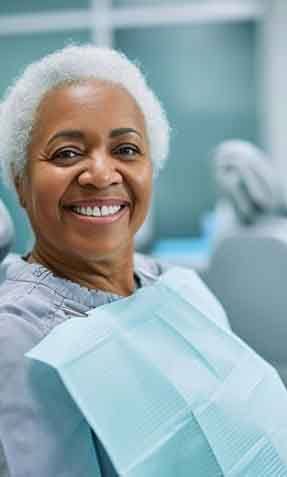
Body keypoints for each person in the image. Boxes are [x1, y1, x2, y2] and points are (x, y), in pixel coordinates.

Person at [0, 44, 170, 477]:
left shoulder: (171, 285)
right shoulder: (17, 341)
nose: (100, 174)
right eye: (67, 153)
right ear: (20, 183)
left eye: (127, 150)